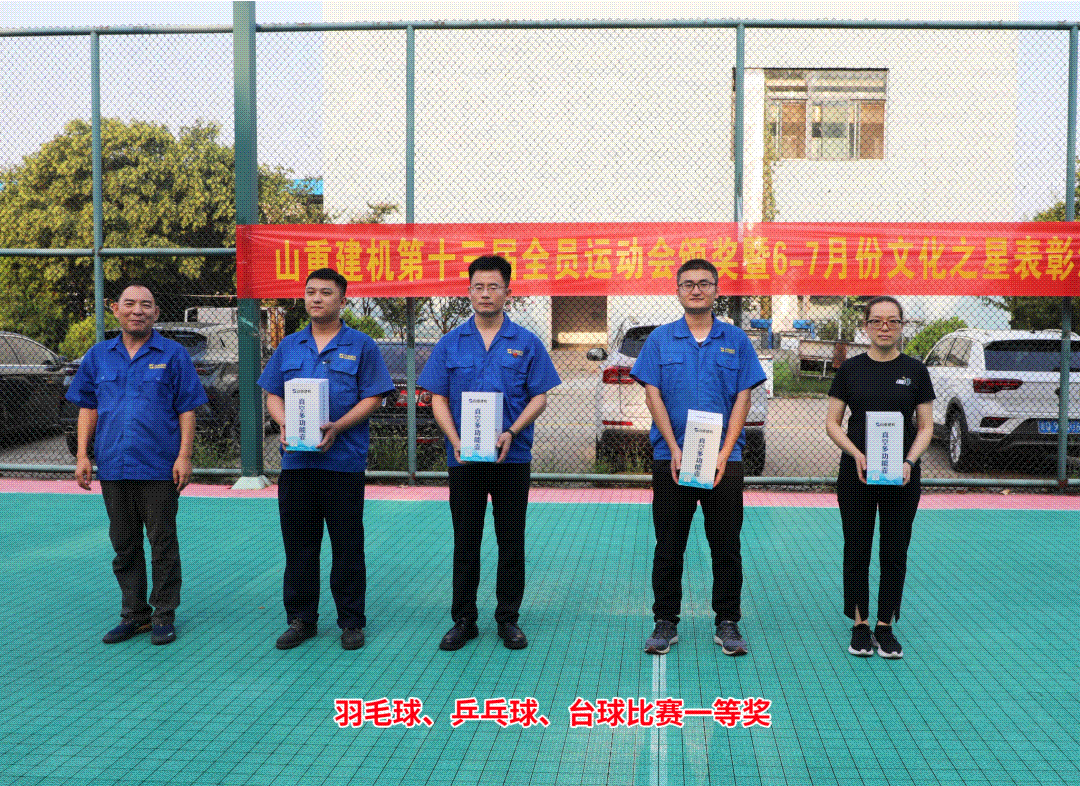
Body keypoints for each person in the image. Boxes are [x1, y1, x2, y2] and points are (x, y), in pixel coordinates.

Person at [418, 255, 561, 651]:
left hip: (510, 458)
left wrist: (512, 431)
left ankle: (508, 619)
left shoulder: (526, 343)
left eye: (493, 286)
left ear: (507, 293)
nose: (485, 293)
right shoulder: (450, 342)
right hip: (464, 459)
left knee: (511, 541)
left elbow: (539, 397)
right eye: (478, 287)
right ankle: (464, 619)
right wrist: (455, 440)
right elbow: (437, 397)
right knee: (466, 541)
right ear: (468, 292)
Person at [630, 259, 766, 656]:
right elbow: (652, 393)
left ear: (716, 291)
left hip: (724, 459)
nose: (696, 290)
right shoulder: (660, 339)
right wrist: (673, 448)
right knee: (669, 544)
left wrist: (725, 451)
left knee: (726, 544)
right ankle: (665, 621)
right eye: (688, 284)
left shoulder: (736, 340)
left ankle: (728, 622)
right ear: (677, 291)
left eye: (704, 283)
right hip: (671, 457)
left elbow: (744, 397)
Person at [259, 267, 395, 651]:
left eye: (326, 292)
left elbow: (374, 396)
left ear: (342, 300)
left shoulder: (362, 345)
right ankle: (302, 620)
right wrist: (284, 423)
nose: (316, 298)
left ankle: (351, 622)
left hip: (342, 464)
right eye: (311, 292)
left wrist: (338, 426)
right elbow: (273, 393)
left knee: (347, 546)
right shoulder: (289, 345)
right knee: (300, 546)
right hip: (297, 465)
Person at [68, 282, 209, 646]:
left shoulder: (173, 354)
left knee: (162, 543)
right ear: (115, 309)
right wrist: (83, 455)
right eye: (129, 304)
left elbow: (187, 409)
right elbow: (88, 407)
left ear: (156, 313)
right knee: (124, 543)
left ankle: (163, 615)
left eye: (146, 305)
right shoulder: (99, 356)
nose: (137, 311)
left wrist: (184, 456)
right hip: (113, 466)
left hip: (159, 467)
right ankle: (134, 615)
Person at [826, 296, 934, 659]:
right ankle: (859, 625)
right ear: (866, 326)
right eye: (877, 321)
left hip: (901, 476)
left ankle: (885, 626)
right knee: (857, 548)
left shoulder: (916, 371)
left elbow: (926, 426)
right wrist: (856, 453)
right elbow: (832, 423)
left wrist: (909, 461)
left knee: (894, 551)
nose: (884, 327)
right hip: (857, 473)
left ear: (902, 326)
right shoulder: (850, 369)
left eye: (892, 321)